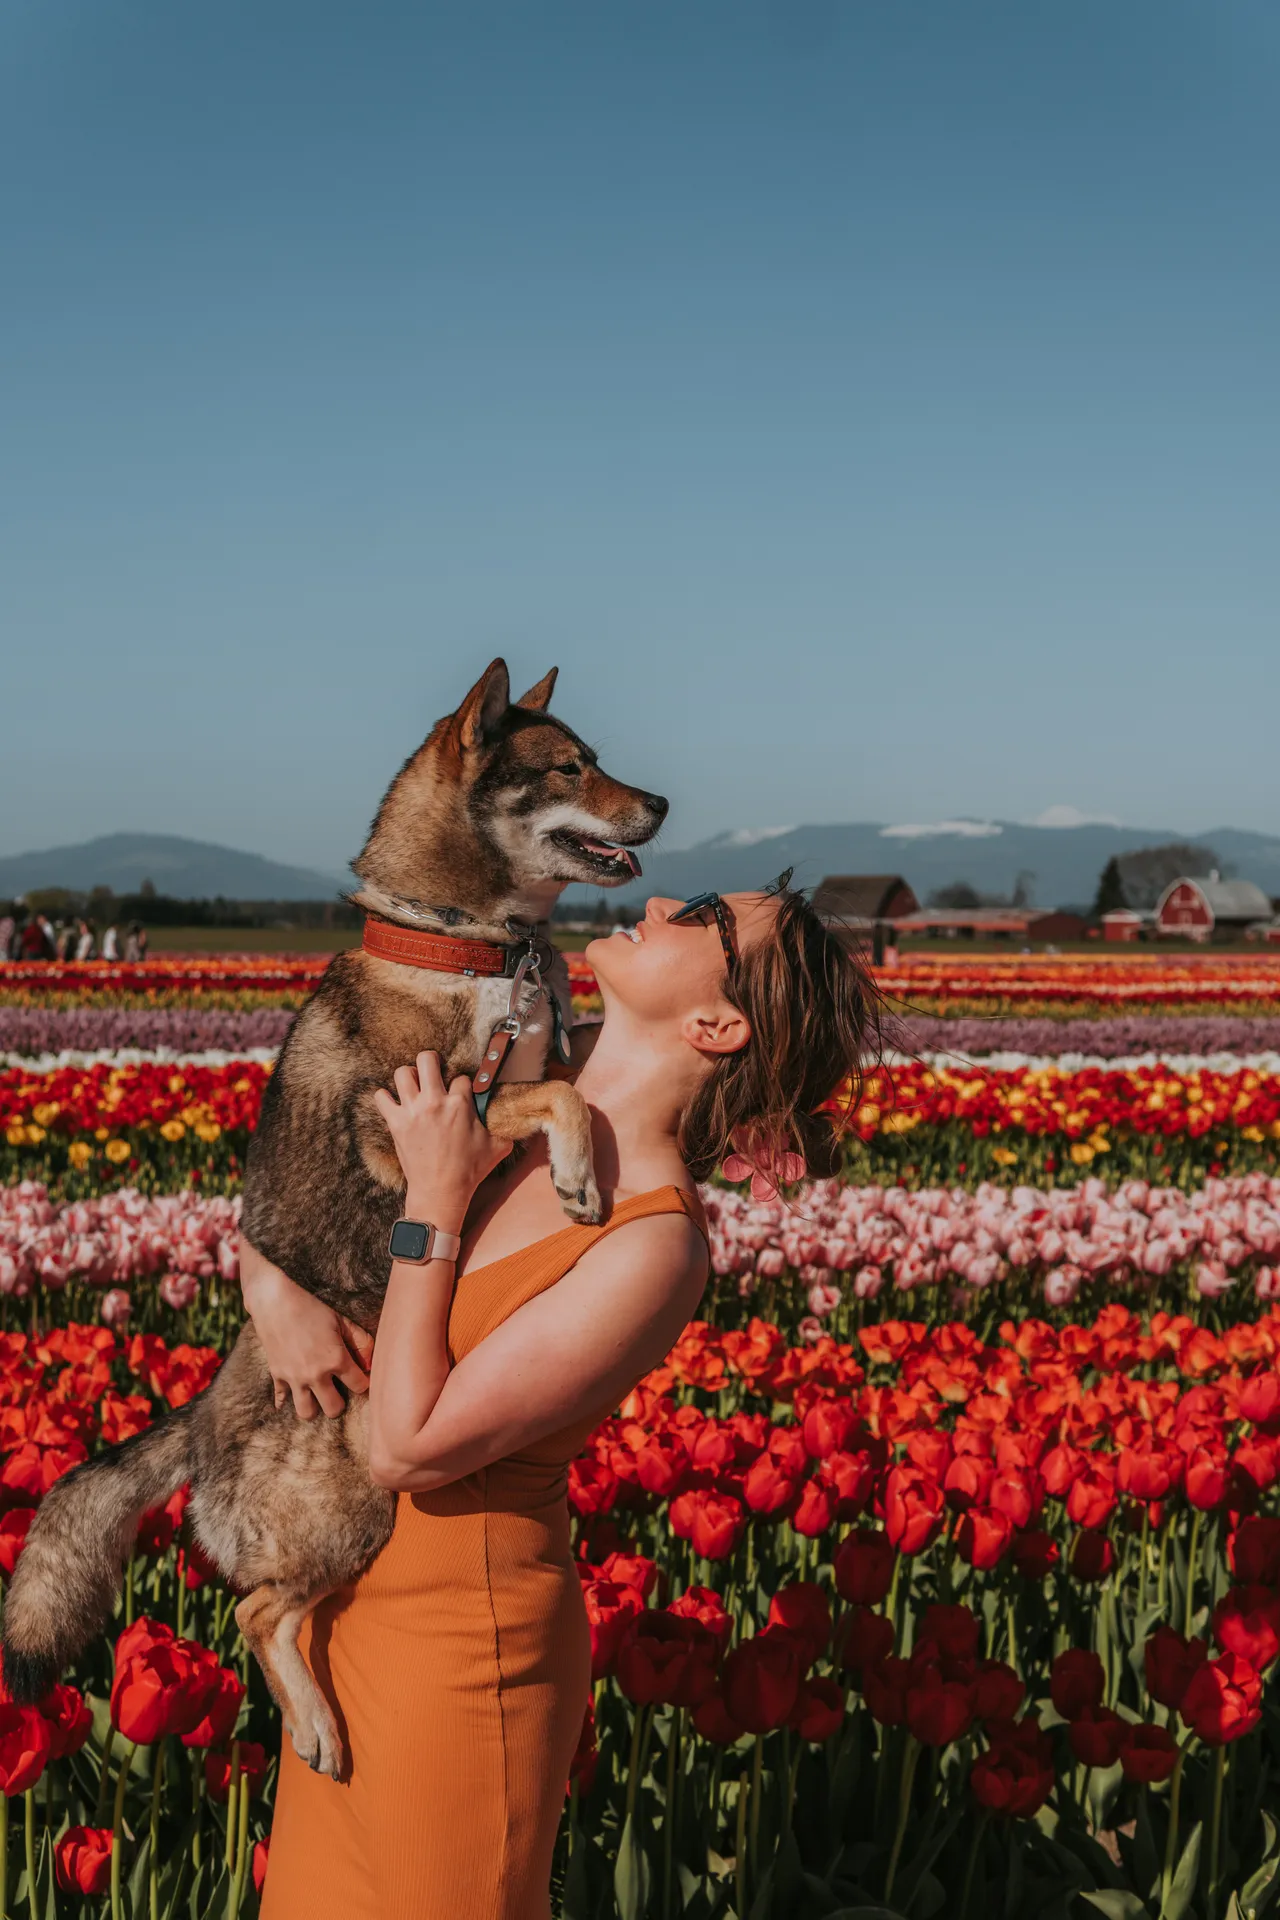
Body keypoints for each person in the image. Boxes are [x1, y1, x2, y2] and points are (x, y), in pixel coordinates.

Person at [240, 876, 874, 1920]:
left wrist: (436, 1199)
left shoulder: (652, 1242)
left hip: (457, 1653)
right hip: (335, 1614)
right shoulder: (512, 1071)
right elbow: (296, 1163)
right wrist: (273, 1291)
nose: (661, 896)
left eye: (703, 918)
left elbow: (408, 1444)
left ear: (717, 1024)